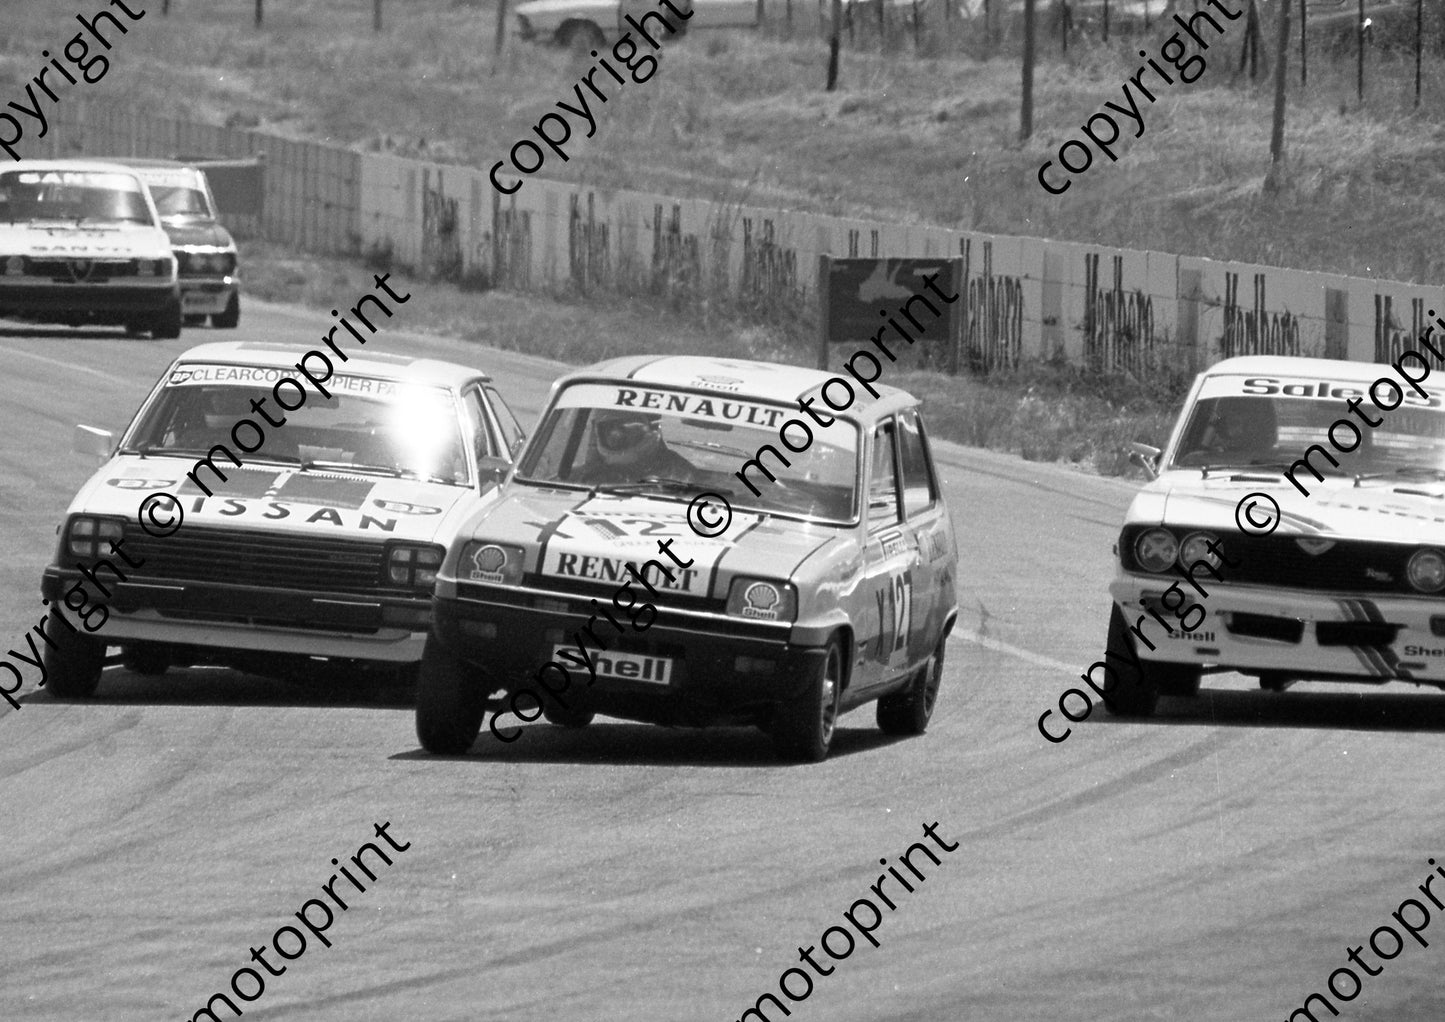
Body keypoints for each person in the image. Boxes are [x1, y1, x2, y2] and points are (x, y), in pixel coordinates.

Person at [575, 410, 695, 485]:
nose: (616, 434)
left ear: (646, 429)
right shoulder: (583, 477)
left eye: (626, 426)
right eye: (610, 428)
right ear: (598, 432)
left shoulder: (677, 470)